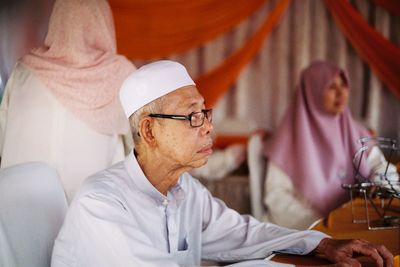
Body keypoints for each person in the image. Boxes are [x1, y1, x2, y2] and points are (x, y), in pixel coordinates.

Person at [51, 60, 393, 267]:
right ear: (149, 131)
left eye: (205, 112)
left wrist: (322, 244)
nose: (209, 126)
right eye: (192, 116)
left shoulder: (184, 190)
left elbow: (243, 233)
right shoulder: (103, 204)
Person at [0, 0, 135, 202]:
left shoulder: (23, 72)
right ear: (104, 24)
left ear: (56, 23)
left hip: (16, 213)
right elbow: (139, 151)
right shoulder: (120, 76)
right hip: (87, 219)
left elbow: (2, 138)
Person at [262, 61, 398, 230]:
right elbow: (276, 196)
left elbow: (380, 166)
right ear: (312, 92)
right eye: (331, 86)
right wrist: (321, 225)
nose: (341, 93)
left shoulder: (355, 131)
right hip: (305, 230)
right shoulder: (287, 140)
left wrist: (379, 185)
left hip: (354, 223)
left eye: (344, 85)